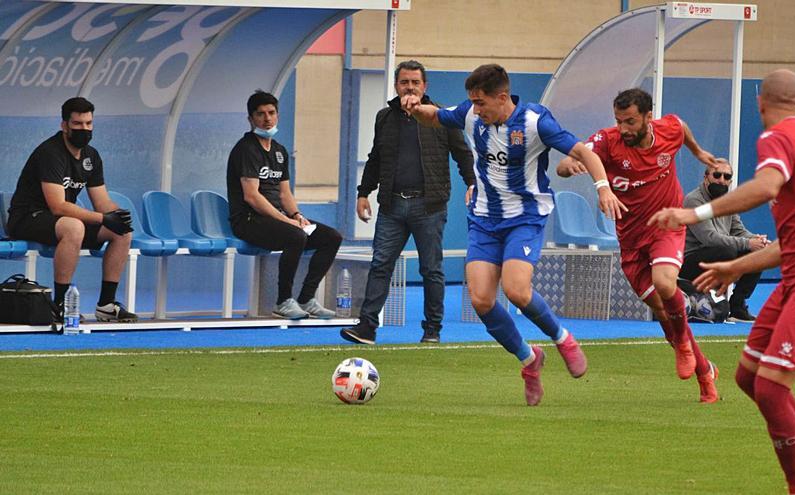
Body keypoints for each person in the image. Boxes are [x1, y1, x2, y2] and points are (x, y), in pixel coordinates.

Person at [649, 69, 795, 495]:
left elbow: (765, 185)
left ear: (760, 104)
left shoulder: (778, 138)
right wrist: (734, 267)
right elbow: (794, 240)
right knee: (747, 377)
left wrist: (692, 214)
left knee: (771, 388)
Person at [402, 64, 627, 406]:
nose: (475, 110)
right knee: (480, 299)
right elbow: (435, 117)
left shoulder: (536, 122)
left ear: (502, 97)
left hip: (525, 216)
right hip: (484, 218)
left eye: (481, 103)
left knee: (517, 290)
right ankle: (528, 359)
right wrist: (416, 108)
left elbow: (584, 152)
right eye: (472, 103)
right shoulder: (470, 115)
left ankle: (562, 337)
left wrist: (602, 188)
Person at [557, 88, 721, 403]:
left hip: (666, 226)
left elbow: (681, 126)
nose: (623, 129)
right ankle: (705, 372)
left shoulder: (667, 130)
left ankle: (686, 350)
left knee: (664, 283)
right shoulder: (607, 142)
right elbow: (568, 163)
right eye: (619, 121)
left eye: (630, 121)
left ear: (648, 117)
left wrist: (698, 152)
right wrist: (568, 167)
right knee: (662, 312)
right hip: (631, 243)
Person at [341, 60, 475, 345]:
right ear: (396, 86)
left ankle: (432, 330)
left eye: (415, 82)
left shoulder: (442, 116)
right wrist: (363, 193)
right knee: (380, 265)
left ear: (424, 87)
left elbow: (463, 153)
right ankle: (367, 327)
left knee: (431, 269)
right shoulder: (384, 118)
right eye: (405, 82)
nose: (410, 87)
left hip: (429, 205)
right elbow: (375, 158)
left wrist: (472, 183)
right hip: (391, 206)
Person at [6, 97, 137, 322]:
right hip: (27, 218)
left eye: (88, 124)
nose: (84, 129)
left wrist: (116, 215)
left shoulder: (91, 156)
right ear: (64, 125)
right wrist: (102, 218)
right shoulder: (50, 152)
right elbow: (57, 206)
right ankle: (60, 305)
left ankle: (106, 305)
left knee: (122, 231)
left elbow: (102, 202)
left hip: (58, 221)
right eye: (77, 124)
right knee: (74, 227)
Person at [227, 90, 343, 320]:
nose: (267, 118)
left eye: (271, 113)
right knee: (295, 236)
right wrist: (288, 222)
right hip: (248, 220)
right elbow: (252, 197)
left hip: (277, 218)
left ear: (278, 115)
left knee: (331, 237)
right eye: (260, 114)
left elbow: (284, 192)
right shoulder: (246, 149)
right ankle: (283, 301)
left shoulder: (279, 150)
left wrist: (297, 215)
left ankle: (307, 299)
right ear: (251, 119)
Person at [681, 158, 770, 321]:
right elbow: (709, 238)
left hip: (715, 255)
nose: (722, 180)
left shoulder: (728, 201)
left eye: (726, 177)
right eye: (717, 175)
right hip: (689, 263)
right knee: (727, 250)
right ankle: (711, 294)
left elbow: (738, 231)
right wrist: (748, 243)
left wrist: (757, 241)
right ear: (706, 177)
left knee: (759, 253)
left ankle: (737, 305)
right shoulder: (694, 200)